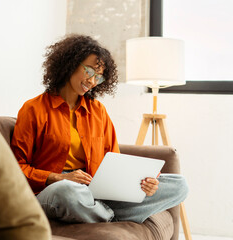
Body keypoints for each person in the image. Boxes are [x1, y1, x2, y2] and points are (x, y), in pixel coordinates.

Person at [10, 34, 188, 223]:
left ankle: (96, 212)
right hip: (54, 190)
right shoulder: (33, 109)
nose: (93, 82)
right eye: (89, 72)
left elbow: (115, 161)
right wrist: (58, 178)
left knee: (179, 185)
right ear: (70, 63)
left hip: (95, 191)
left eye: (99, 77)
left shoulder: (98, 111)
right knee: (69, 192)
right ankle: (111, 216)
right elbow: (16, 168)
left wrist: (148, 181)